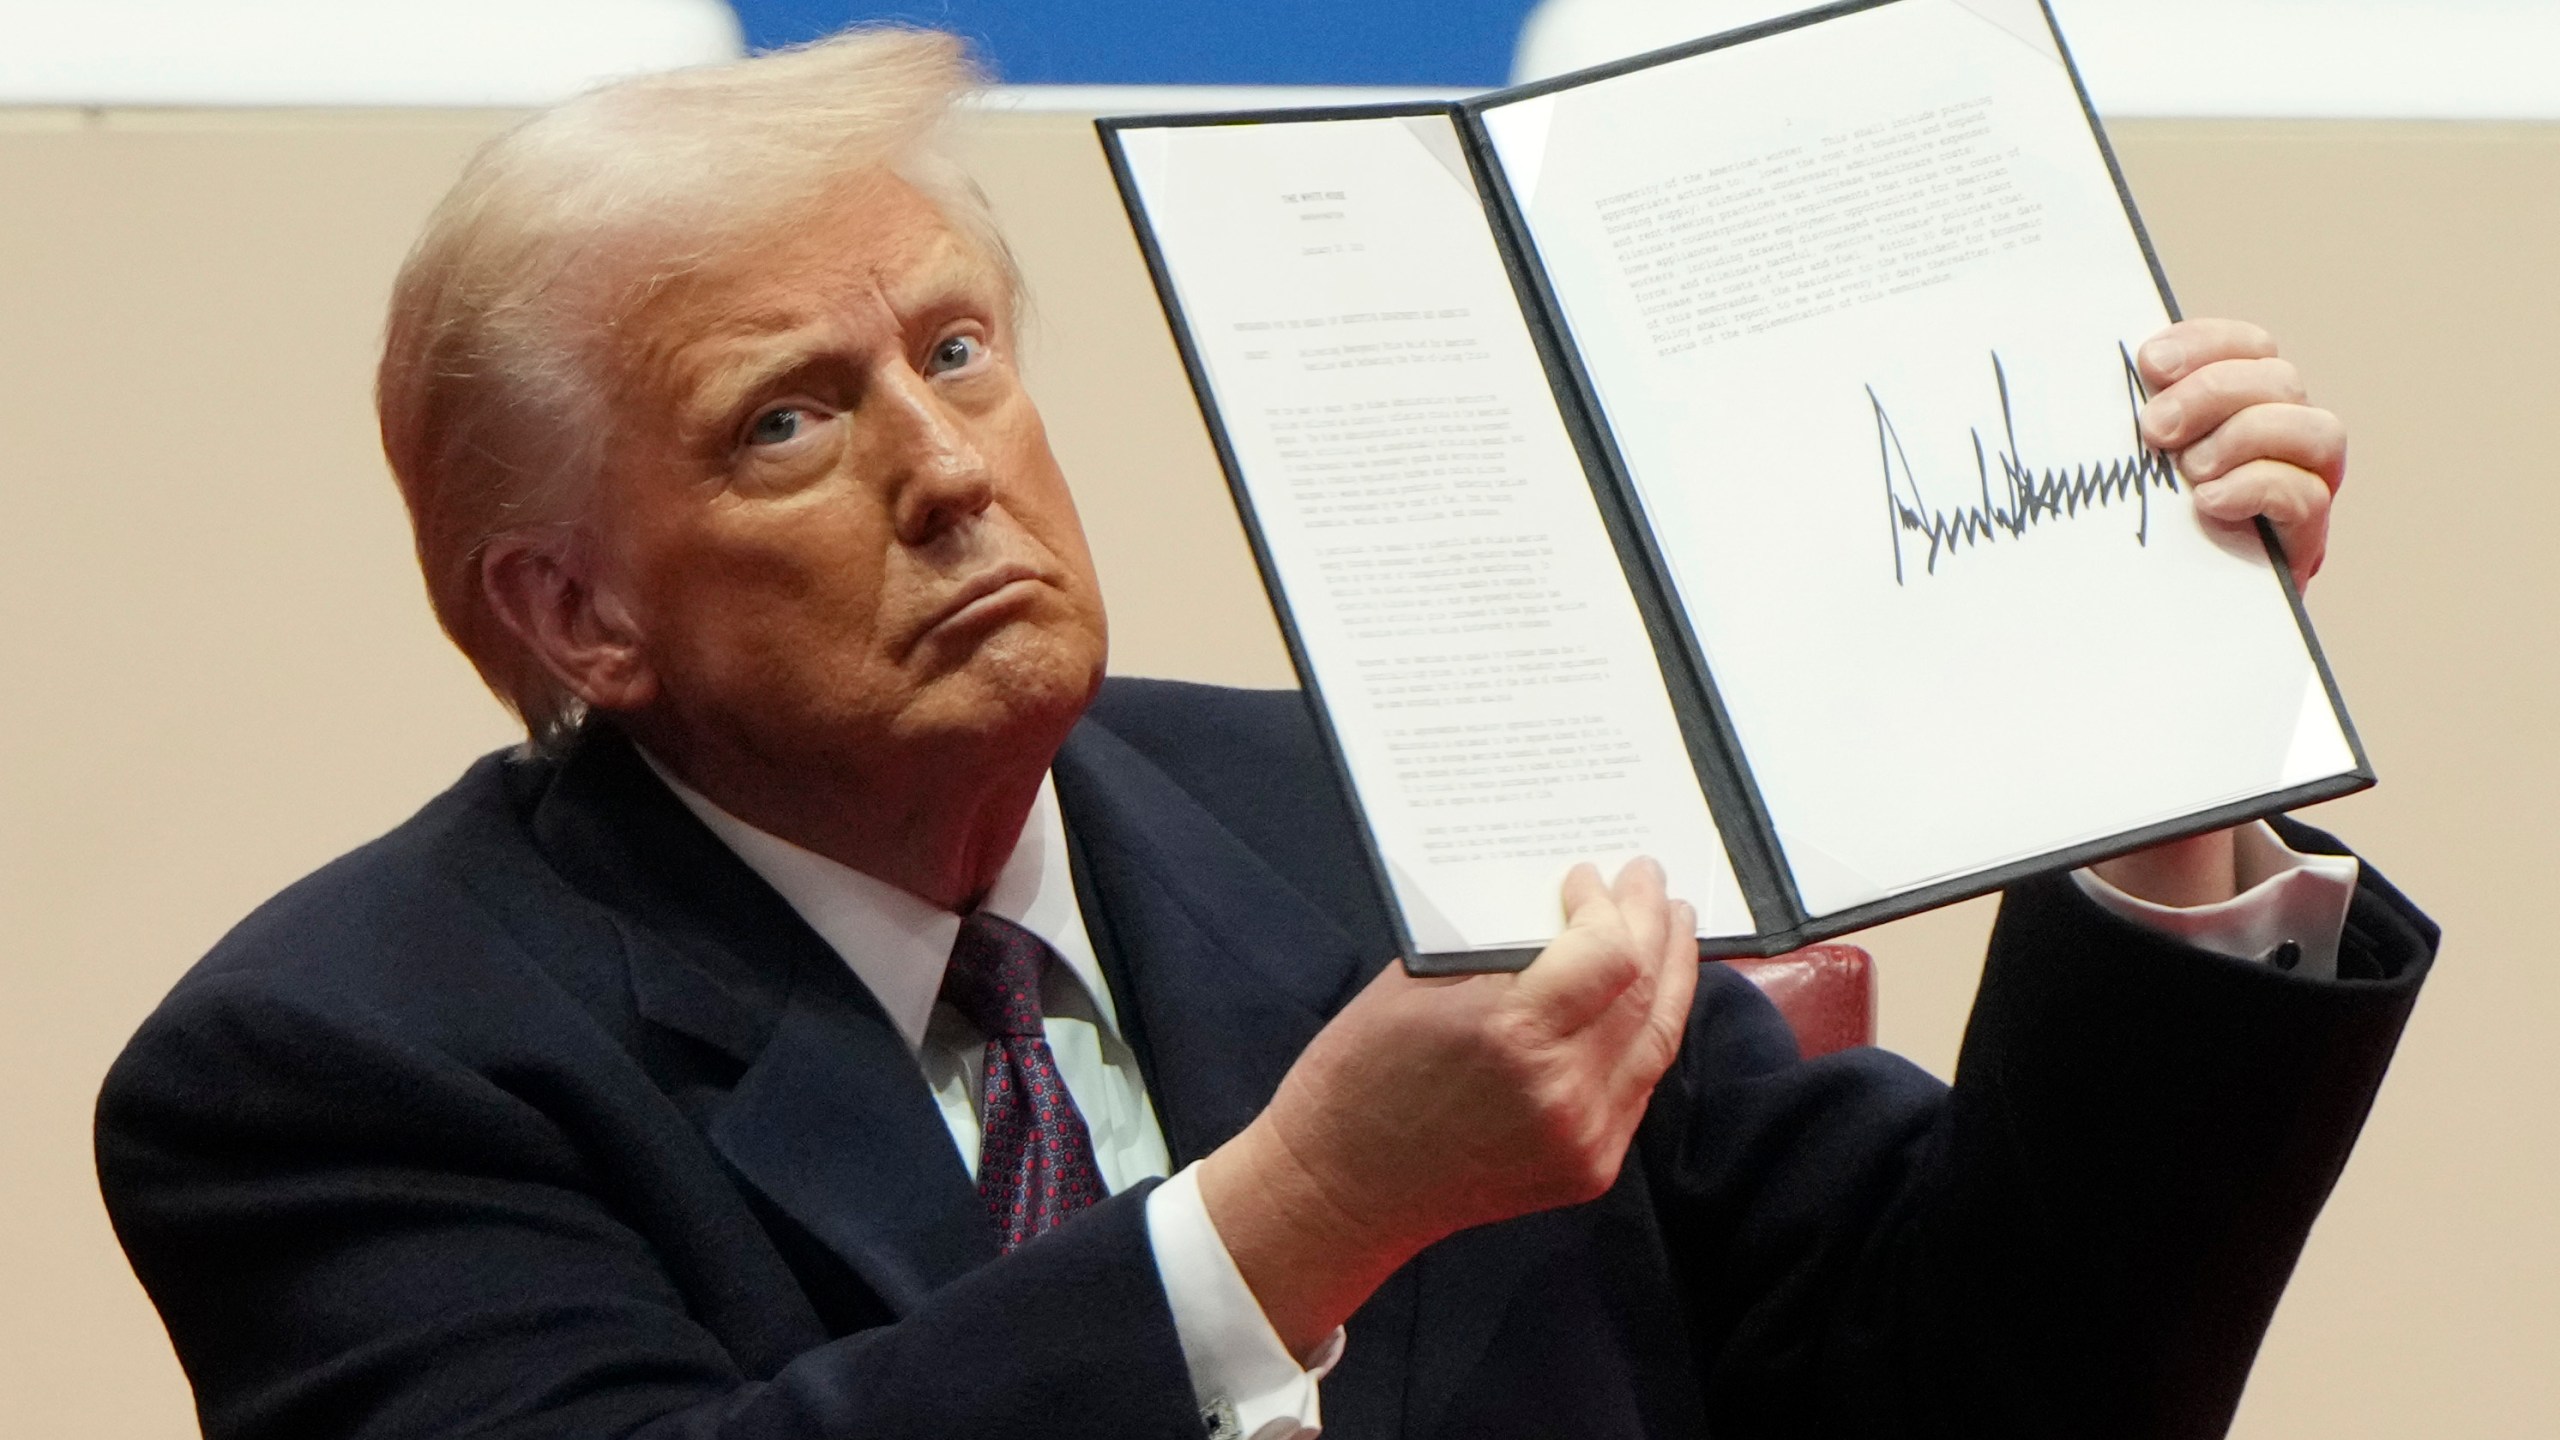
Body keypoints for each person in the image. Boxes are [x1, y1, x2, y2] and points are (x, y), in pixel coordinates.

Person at [96, 28, 2433, 1440]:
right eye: (789, 421)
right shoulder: (337, 1064)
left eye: (957, 351)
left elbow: (1982, 1397)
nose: (943, 464)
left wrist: (2167, 769)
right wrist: (1291, 1219)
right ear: (574, 611)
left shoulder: (1354, 813)